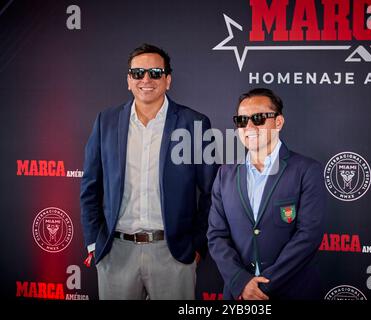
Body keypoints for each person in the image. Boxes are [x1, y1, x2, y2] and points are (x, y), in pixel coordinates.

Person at [80, 43, 217, 299]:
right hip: (116, 252)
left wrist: (197, 246)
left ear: (168, 80)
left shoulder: (194, 123)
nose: (146, 79)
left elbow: (212, 191)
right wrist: (93, 243)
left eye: (155, 72)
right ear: (128, 80)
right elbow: (90, 186)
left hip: (173, 254)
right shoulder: (105, 121)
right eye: (138, 73)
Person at [207, 88, 326, 300]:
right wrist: (241, 282)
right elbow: (216, 236)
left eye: (259, 118)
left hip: (291, 291)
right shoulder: (224, 175)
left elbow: (308, 236)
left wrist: (263, 287)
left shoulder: (307, 171)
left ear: (278, 122)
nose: (249, 126)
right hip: (239, 296)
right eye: (242, 120)